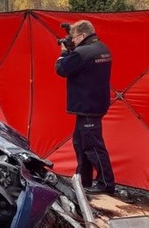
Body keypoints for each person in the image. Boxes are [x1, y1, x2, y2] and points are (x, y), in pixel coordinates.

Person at [55, 20, 116, 195]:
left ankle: (106, 184)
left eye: (73, 37)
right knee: (81, 143)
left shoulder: (82, 53)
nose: (72, 41)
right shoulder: (102, 49)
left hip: (87, 105)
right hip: (94, 103)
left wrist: (64, 52)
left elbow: (61, 68)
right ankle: (84, 179)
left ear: (82, 35)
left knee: (92, 145)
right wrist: (73, 50)